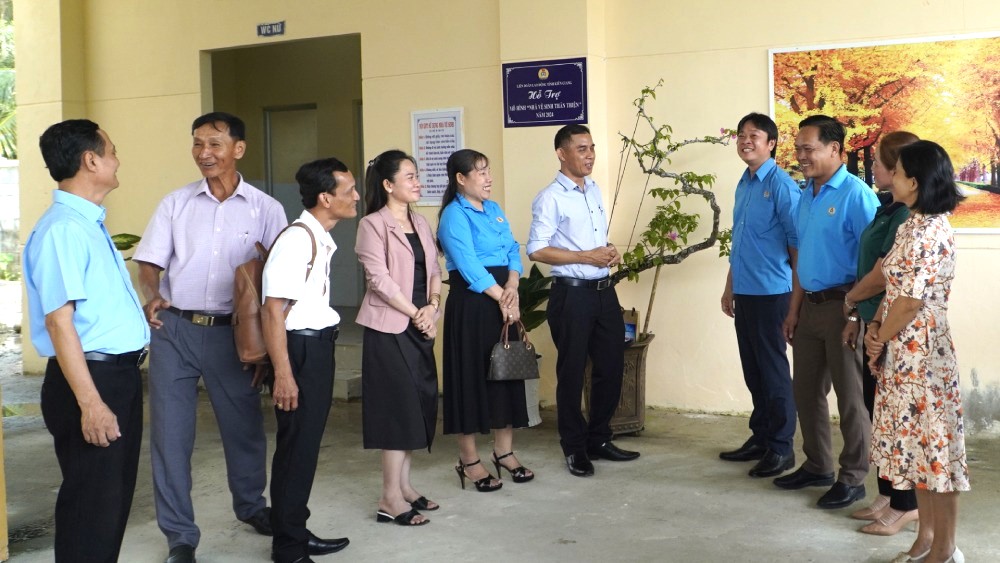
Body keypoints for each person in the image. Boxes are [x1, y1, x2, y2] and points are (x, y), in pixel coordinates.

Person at [134, 112, 287, 563]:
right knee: (170, 436)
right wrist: (153, 294)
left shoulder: (265, 208)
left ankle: (251, 506)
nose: (205, 153)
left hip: (233, 336)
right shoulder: (175, 204)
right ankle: (180, 536)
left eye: (215, 144)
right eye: (198, 143)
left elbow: (279, 275)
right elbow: (149, 262)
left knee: (244, 430)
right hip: (175, 330)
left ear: (238, 149)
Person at [23, 119, 150, 563]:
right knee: (90, 509)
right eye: (112, 151)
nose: (117, 159)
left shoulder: (88, 224)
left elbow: (89, 310)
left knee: (109, 504)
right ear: (91, 160)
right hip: (91, 383)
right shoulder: (64, 229)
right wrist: (91, 404)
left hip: (114, 376)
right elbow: (61, 324)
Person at [866, 140, 968, 563]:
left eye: (899, 169)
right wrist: (875, 327)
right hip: (900, 348)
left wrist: (881, 336)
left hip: (923, 354)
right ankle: (925, 540)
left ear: (915, 180)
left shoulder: (931, 230)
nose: (889, 174)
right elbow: (893, 289)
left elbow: (912, 301)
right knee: (916, 452)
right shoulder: (911, 223)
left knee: (937, 455)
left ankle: (945, 550)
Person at [774, 115, 878, 510]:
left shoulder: (856, 195)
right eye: (798, 148)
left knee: (851, 398)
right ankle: (817, 464)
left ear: (835, 150)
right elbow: (803, 258)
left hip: (844, 307)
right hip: (810, 307)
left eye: (808, 148)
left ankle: (853, 477)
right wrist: (793, 309)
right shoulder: (807, 193)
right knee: (806, 391)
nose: (801, 155)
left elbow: (873, 263)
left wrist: (855, 314)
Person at [527, 124, 640, 478]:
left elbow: (593, 240)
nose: (589, 155)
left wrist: (606, 253)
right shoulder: (550, 197)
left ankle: (599, 438)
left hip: (604, 292)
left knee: (611, 365)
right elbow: (537, 249)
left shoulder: (593, 191)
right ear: (562, 153)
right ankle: (575, 448)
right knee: (573, 372)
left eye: (591, 148)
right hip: (572, 295)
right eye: (581, 148)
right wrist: (585, 258)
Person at [262, 157, 356, 561]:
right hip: (299, 351)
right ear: (325, 198)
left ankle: (295, 531)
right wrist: (283, 373)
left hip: (314, 347)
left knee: (303, 446)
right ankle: (288, 547)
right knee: (296, 448)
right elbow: (272, 310)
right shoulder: (298, 239)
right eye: (348, 191)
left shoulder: (318, 236)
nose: (355, 197)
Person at [438, 149, 533, 492]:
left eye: (488, 170)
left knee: (505, 374)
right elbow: (467, 264)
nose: (488, 177)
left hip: (503, 298)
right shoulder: (453, 215)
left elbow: (512, 249)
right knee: (470, 380)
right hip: (473, 304)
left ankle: (504, 453)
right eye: (480, 172)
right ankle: (469, 461)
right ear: (461, 179)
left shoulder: (493, 210)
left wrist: (513, 286)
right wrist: (501, 297)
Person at [355, 149, 441, 526]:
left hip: (421, 324)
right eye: (409, 176)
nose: (417, 182)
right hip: (389, 328)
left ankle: (404, 487)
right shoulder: (371, 225)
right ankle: (389, 498)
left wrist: (433, 306)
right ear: (388, 185)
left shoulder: (421, 222)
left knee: (418, 405)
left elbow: (435, 269)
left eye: (416, 175)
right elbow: (379, 280)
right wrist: (416, 313)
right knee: (397, 410)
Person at [842, 131, 920, 535]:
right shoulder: (888, 209)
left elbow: (884, 273)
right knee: (881, 416)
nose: (872, 166)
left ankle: (906, 504)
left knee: (897, 421)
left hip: (894, 329)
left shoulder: (911, 218)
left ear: (900, 168)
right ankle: (889, 495)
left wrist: (853, 299)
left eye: (879, 160)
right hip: (875, 321)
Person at [719, 113, 801, 478]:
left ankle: (782, 448)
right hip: (746, 292)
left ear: (771, 144)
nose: (745, 140)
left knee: (773, 372)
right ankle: (762, 436)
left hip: (773, 293)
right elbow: (741, 243)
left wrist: (795, 304)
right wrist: (729, 286)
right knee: (754, 371)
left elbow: (796, 247)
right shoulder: (743, 183)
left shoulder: (783, 186)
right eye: (741, 135)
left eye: (754, 135)